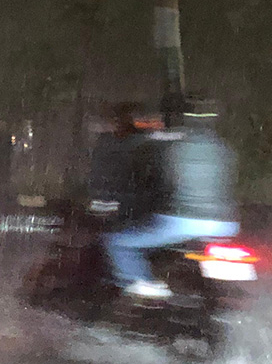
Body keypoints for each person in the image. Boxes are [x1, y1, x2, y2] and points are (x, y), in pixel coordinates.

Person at [97, 100, 240, 299]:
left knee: (117, 242)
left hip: (182, 222)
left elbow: (158, 178)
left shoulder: (172, 145)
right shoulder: (223, 148)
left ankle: (147, 287)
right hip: (225, 224)